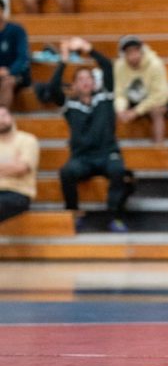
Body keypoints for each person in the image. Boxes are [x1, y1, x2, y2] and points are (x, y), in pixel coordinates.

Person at [44, 38, 128, 231]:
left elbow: (107, 66)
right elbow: (52, 89)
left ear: (94, 82)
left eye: (88, 78)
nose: (85, 82)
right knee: (66, 172)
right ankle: (73, 212)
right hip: (82, 158)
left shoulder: (105, 97)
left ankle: (114, 216)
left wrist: (88, 49)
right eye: (80, 79)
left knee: (119, 170)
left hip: (107, 154)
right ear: (73, 85)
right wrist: (63, 60)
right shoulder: (69, 105)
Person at [113, 36, 168, 144]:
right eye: (129, 52)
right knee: (110, 109)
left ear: (141, 51)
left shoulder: (156, 64)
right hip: (133, 99)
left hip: (156, 101)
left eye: (136, 51)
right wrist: (120, 109)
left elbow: (159, 95)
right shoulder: (119, 66)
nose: (133, 55)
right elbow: (119, 92)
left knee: (157, 110)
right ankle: (112, 148)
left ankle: (158, 147)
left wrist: (136, 111)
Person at [0, 106, 38, 224]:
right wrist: (11, 165)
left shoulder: (27, 140)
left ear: (11, 117)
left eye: (3, 116)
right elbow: (16, 167)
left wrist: (16, 167)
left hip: (17, 193)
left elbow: (21, 168)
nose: (1, 120)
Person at [0, 3, 31, 110]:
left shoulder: (16, 30)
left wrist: (9, 71)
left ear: (2, 10)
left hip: (16, 74)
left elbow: (23, 57)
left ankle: (2, 118)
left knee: (7, 82)